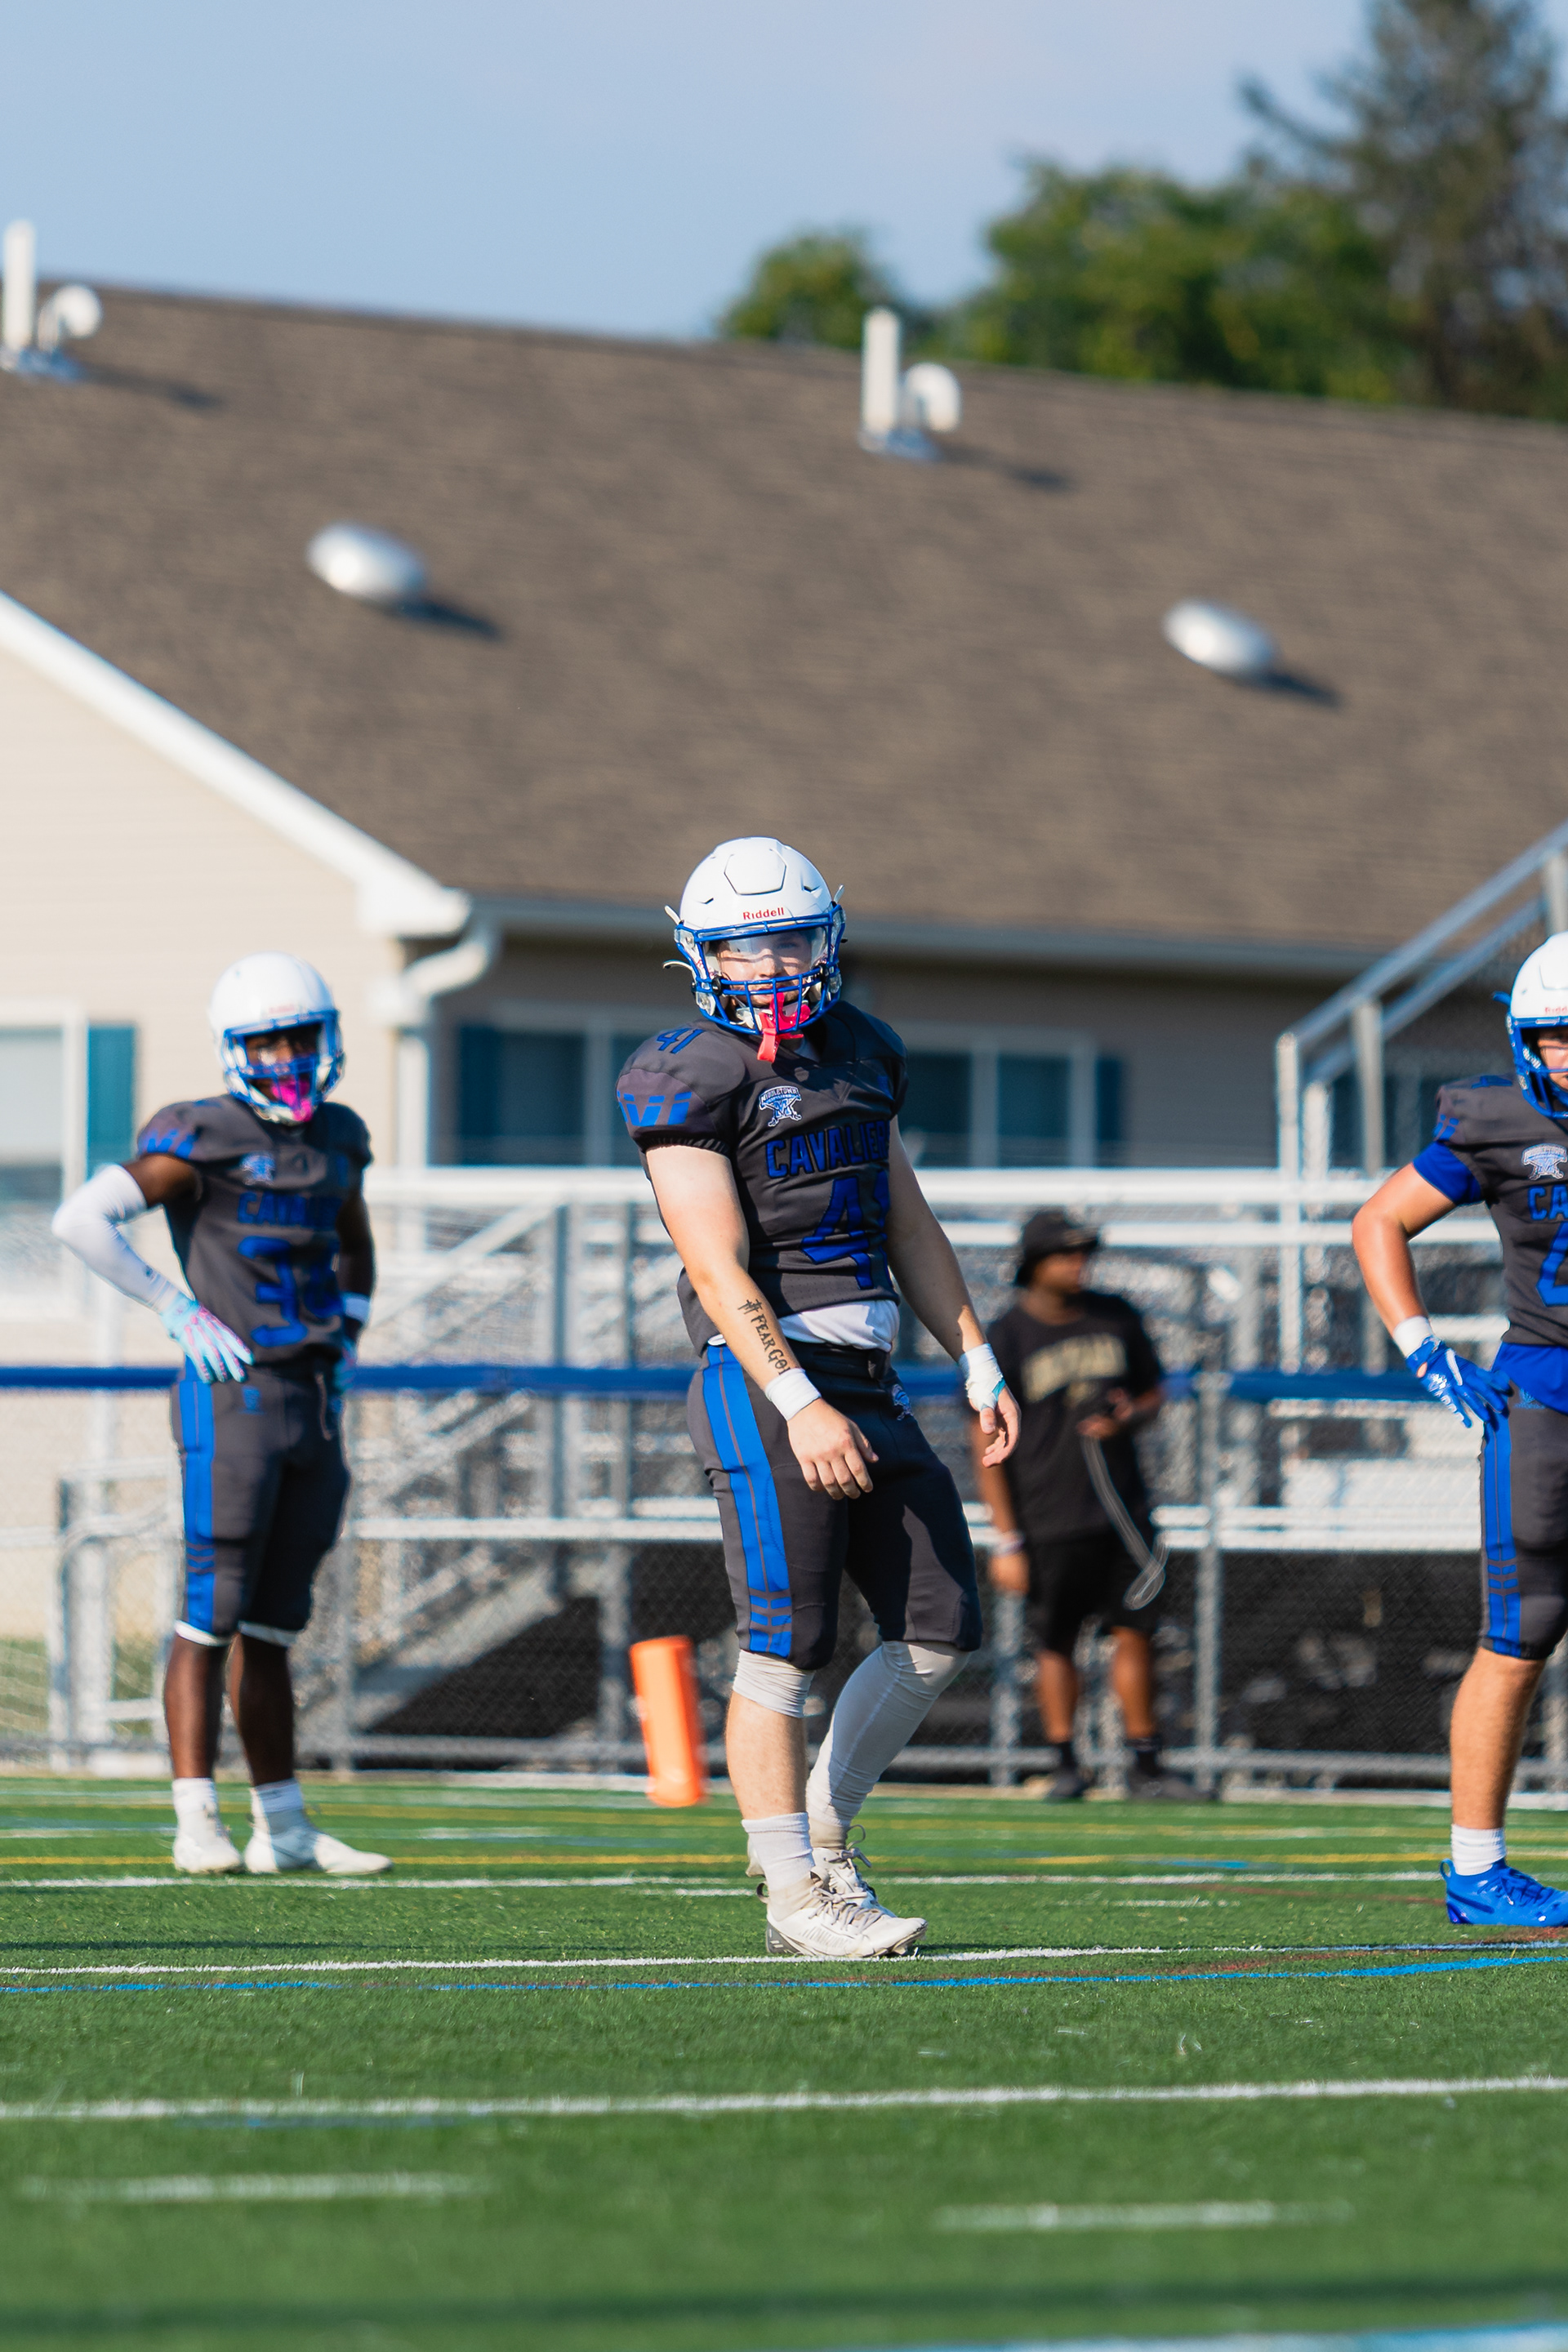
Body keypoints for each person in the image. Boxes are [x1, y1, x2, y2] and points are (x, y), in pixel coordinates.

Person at [617, 835, 1018, 1960]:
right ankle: (793, 1893)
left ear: (827, 938)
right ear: (702, 957)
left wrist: (976, 1355)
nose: (770, 966)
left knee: (939, 1626)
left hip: (869, 1377)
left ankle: (824, 1838)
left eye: (790, 940)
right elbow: (715, 1267)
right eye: (743, 949)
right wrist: (797, 1400)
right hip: (767, 1381)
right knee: (784, 1642)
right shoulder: (690, 1071)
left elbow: (908, 1224)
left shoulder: (862, 1052)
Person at [52, 952, 388, 1878]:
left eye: (299, 1037)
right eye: (265, 1042)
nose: (285, 1057)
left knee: (275, 1625)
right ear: (233, 1048)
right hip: (231, 1394)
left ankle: (283, 1826)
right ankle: (195, 1819)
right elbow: (81, 1220)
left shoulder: (339, 1135)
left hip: (312, 1397)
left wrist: (350, 1335)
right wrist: (172, 1305)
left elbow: (355, 1245)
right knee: (213, 1610)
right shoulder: (201, 1133)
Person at [1351, 932, 1568, 1927]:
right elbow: (1380, 1221)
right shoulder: (1497, 1119)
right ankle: (1477, 1870)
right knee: (1521, 1634)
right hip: (1547, 1403)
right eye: (1558, 1036)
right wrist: (1423, 1347)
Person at [973, 1211, 1187, 1800]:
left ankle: (1146, 1765)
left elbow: (1154, 1391)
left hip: (1122, 1511)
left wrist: (1131, 1415)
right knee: (1056, 1641)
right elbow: (983, 1438)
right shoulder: (1008, 1335)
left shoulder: (1116, 1315)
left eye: (1083, 1253)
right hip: (1048, 1514)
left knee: (1135, 1631)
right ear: (1034, 1263)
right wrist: (1007, 1537)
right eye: (1065, 1254)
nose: (1078, 1264)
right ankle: (1066, 1762)